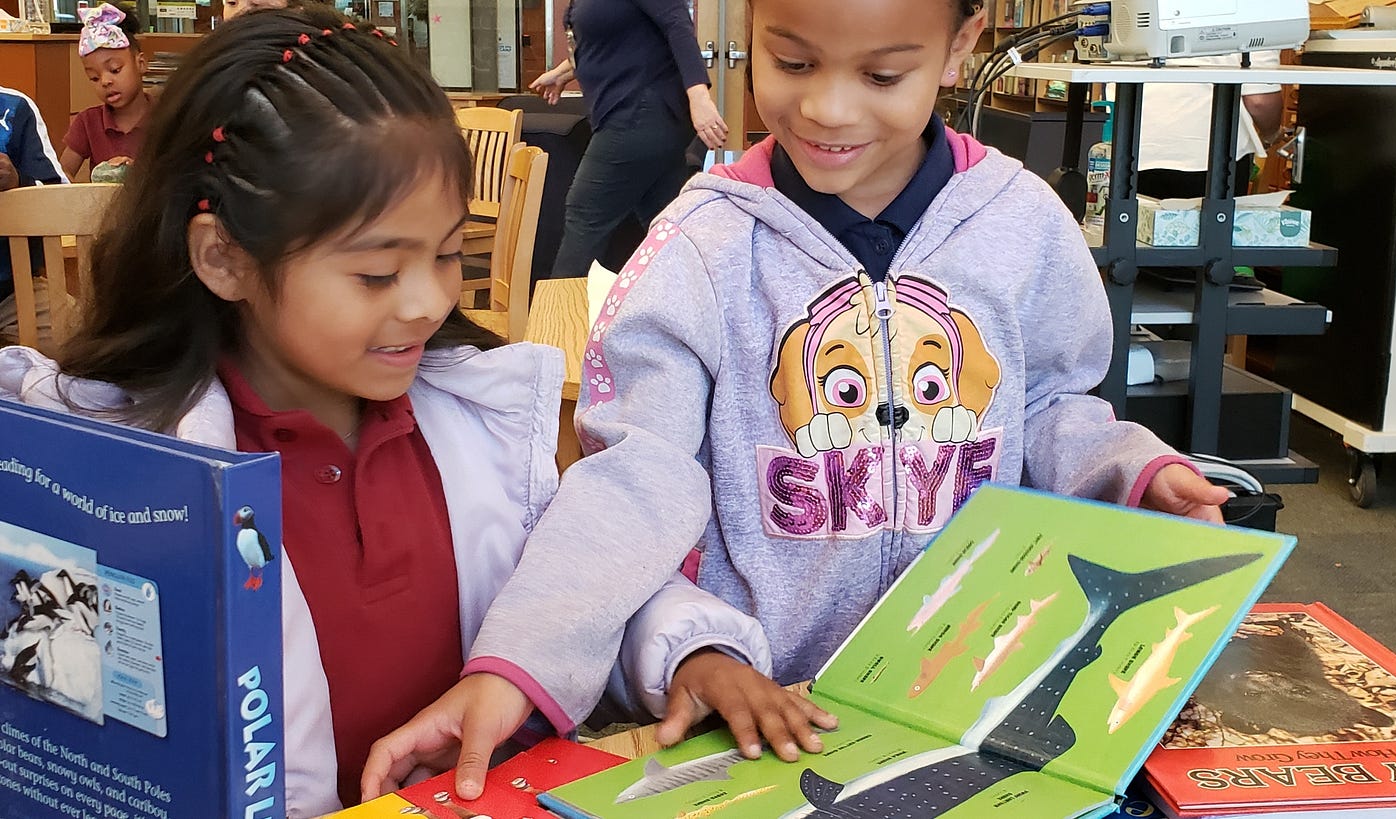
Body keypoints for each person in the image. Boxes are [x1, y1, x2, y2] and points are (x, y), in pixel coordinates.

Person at [370, 0, 1232, 776]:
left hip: (977, 696)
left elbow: (1047, 403)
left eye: (882, 76)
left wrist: (1131, 466)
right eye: (792, 62)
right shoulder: (701, 248)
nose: (828, 108)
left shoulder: (1022, 222)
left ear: (959, 45)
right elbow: (633, 482)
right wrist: (535, 662)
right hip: (767, 720)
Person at [0, 7, 764, 813]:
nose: (430, 300)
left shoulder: (476, 422)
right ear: (223, 257)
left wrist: (689, 650)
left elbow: (573, 581)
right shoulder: (124, 481)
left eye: (447, 253)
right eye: (376, 273)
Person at [528, 0, 728, 278]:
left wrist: (699, 97)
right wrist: (563, 73)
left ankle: (559, 306)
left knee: (585, 212)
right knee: (665, 224)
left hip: (641, 112)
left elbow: (677, 24)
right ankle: (703, 295)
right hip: (635, 114)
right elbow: (613, 39)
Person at [1137, 51, 1284, 200]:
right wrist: (1271, 135)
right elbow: (1259, 101)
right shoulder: (1258, 34)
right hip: (1212, 153)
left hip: (1137, 145)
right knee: (1214, 214)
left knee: (1134, 213)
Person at [59, 3, 153, 183]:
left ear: (141, 64)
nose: (105, 81)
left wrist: (139, 174)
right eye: (94, 78)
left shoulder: (167, 117)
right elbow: (62, 174)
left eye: (115, 70)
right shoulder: (88, 121)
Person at [0, 84, 66, 303]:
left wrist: (18, 182)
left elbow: (61, 203)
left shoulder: (15, 107)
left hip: (15, 291)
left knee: (77, 321)